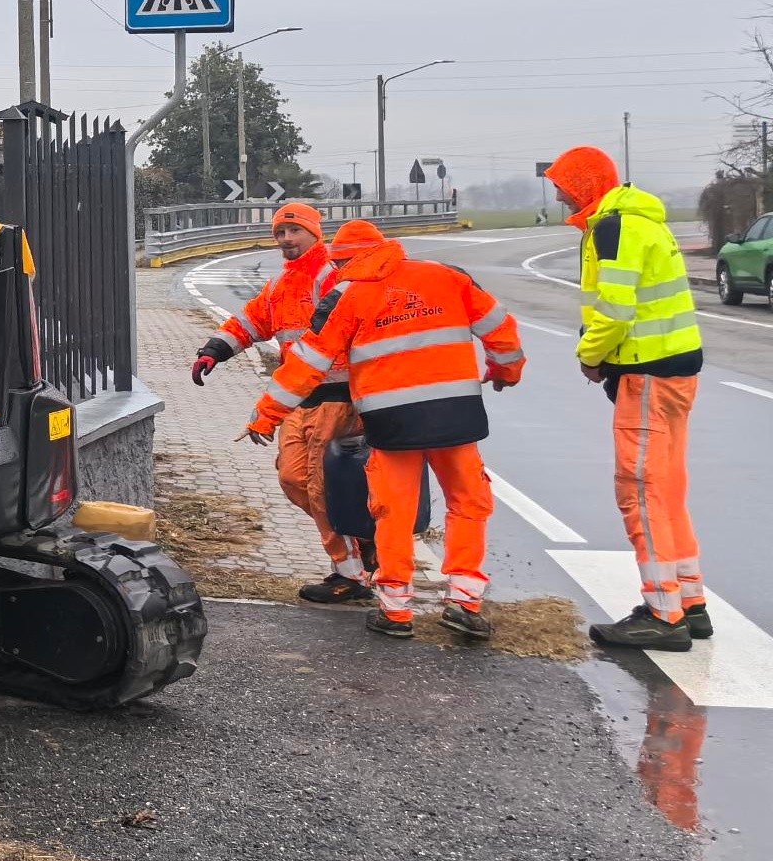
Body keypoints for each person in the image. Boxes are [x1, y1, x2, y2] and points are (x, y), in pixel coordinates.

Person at [256, 219, 524, 639]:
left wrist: (267, 414)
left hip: (391, 421)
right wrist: (506, 371)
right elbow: (500, 329)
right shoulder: (447, 277)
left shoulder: (347, 296)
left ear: (346, 260)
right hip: (455, 414)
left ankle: (396, 610)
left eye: (339, 264)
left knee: (392, 513)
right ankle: (465, 602)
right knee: (468, 503)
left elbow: (308, 363)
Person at [544, 145, 712, 650]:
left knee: (639, 490)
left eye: (564, 187)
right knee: (668, 488)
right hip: (676, 371)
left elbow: (615, 310)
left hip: (646, 374)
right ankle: (690, 601)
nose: (560, 197)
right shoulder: (645, 222)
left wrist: (589, 355)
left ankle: (663, 614)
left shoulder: (613, 228)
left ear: (585, 184)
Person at [192, 202, 370, 602]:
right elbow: (250, 322)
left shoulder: (333, 277)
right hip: (297, 399)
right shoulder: (280, 285)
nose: (287, 239)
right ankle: (360, 538)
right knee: (292, 480)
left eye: (295, 231)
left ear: (314, 233)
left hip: (337, 399)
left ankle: (351, 575)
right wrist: (214, 350)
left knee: (322, 489)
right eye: (280, 233)